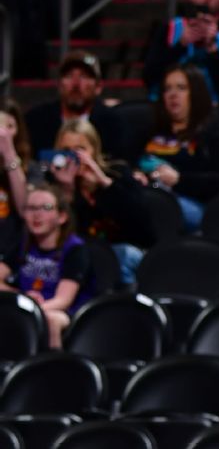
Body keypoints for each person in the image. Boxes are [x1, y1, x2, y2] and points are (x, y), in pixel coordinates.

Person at [135, 65, 219, 232]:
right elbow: (124, 162)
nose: (173, 94)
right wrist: (135, 174)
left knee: (158, 207)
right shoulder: (148, 131)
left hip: (193, 204)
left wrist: (179, 180)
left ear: (196, 93)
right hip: (146, 194)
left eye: (181, 88)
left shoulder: (216, 134)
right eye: (167, 89)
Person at [50, 120, 155, 286]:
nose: (73, 157)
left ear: (94, 149)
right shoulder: (53, 185)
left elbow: (143, 227)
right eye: (66, 150)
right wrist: (68, 191)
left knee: (126, 255)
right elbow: (68, 238)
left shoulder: (118, 173)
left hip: (122, 250)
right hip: (79, 256)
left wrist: (105, 184)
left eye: (80, 150)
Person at [0, 183, 91, 349]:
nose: (37, 214)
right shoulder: (24, 244)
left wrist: (30, 308)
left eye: (46, 208)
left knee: (50, 319)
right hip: (29, 304)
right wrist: (21, 296)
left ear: (62, 217)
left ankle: (54, 363)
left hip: (65, 312)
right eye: (31, 208)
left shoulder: (75, 249)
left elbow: (63, 300)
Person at [25, 51, 131, 162]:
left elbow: (120, 165)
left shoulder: (112, 123)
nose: (76, 84)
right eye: (69, 76)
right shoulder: (36, 120)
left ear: (98, 87)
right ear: (59, 85)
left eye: (84, 76)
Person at [0, 99, 32, 254]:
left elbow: (24, 209)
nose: (3, 134)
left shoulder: (31, 168)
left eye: (9, 126)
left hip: (13, 250)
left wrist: (8, 154)